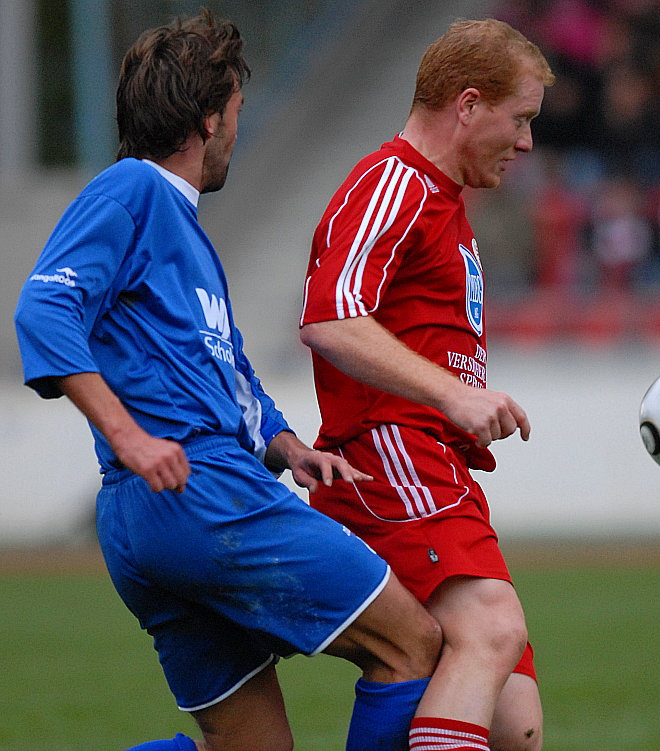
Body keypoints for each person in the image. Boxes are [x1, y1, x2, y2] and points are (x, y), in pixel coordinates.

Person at [13, 11, 451, 751]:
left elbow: (228, 373)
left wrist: (287, 446)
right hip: (199, 492)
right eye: (238, 112)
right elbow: (44, 306)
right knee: (411, 642)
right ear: (209, 120)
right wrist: (129, 434)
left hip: (144, 516)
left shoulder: (182, 231)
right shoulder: (135, 190)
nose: (238, 132)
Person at [299, 19, 554, 751]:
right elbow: (330, 319)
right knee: (493, 629)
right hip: (391, 454)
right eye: (520, 119)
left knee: (515, 724)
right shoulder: (396, 183)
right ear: (468, 105)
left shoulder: (443, 200)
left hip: (435, 462)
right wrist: (453, 394)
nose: (527, 142)